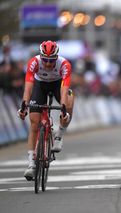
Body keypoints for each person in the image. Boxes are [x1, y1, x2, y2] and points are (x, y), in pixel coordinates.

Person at [17, 40, 74, 180]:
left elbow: (64, 88)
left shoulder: (65, 65)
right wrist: (24, 105)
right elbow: (28, 87)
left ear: (56, 58)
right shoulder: (33, 63)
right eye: (45, 60)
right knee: (35, 124)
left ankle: (59, 134)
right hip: (39, 85)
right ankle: (31, 164)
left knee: (70, 100)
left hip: (57, 85)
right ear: (41, 57)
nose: (48, 64)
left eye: (51, 60)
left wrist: (63, 110)